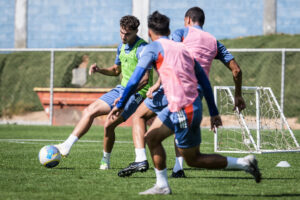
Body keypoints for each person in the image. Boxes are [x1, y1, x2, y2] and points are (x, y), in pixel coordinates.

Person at [108, 11, 261, 195]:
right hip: (189, 103)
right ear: (169, 30)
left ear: (149, 32)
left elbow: (134, 80)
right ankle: (162, 184)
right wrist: (213, 112)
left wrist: (121, 102)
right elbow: (204, 81)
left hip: (182, 106)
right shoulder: (184, 50)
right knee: (153, 138)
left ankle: (243, 163)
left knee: (193, 159)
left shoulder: (153, 48)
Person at [54, 15, 153, 170]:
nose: (123, 36)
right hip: (121, 89)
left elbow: (145, 80)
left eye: (127, 34)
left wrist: (125, 96)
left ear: (136, 32)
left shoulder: (143, 48)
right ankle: (67, 146)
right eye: (121, 32)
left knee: (108, 124)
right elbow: (116, 70)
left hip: (139, 93)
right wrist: (100, 70)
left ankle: (107, 159)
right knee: (89, 110)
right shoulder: (121, 46)